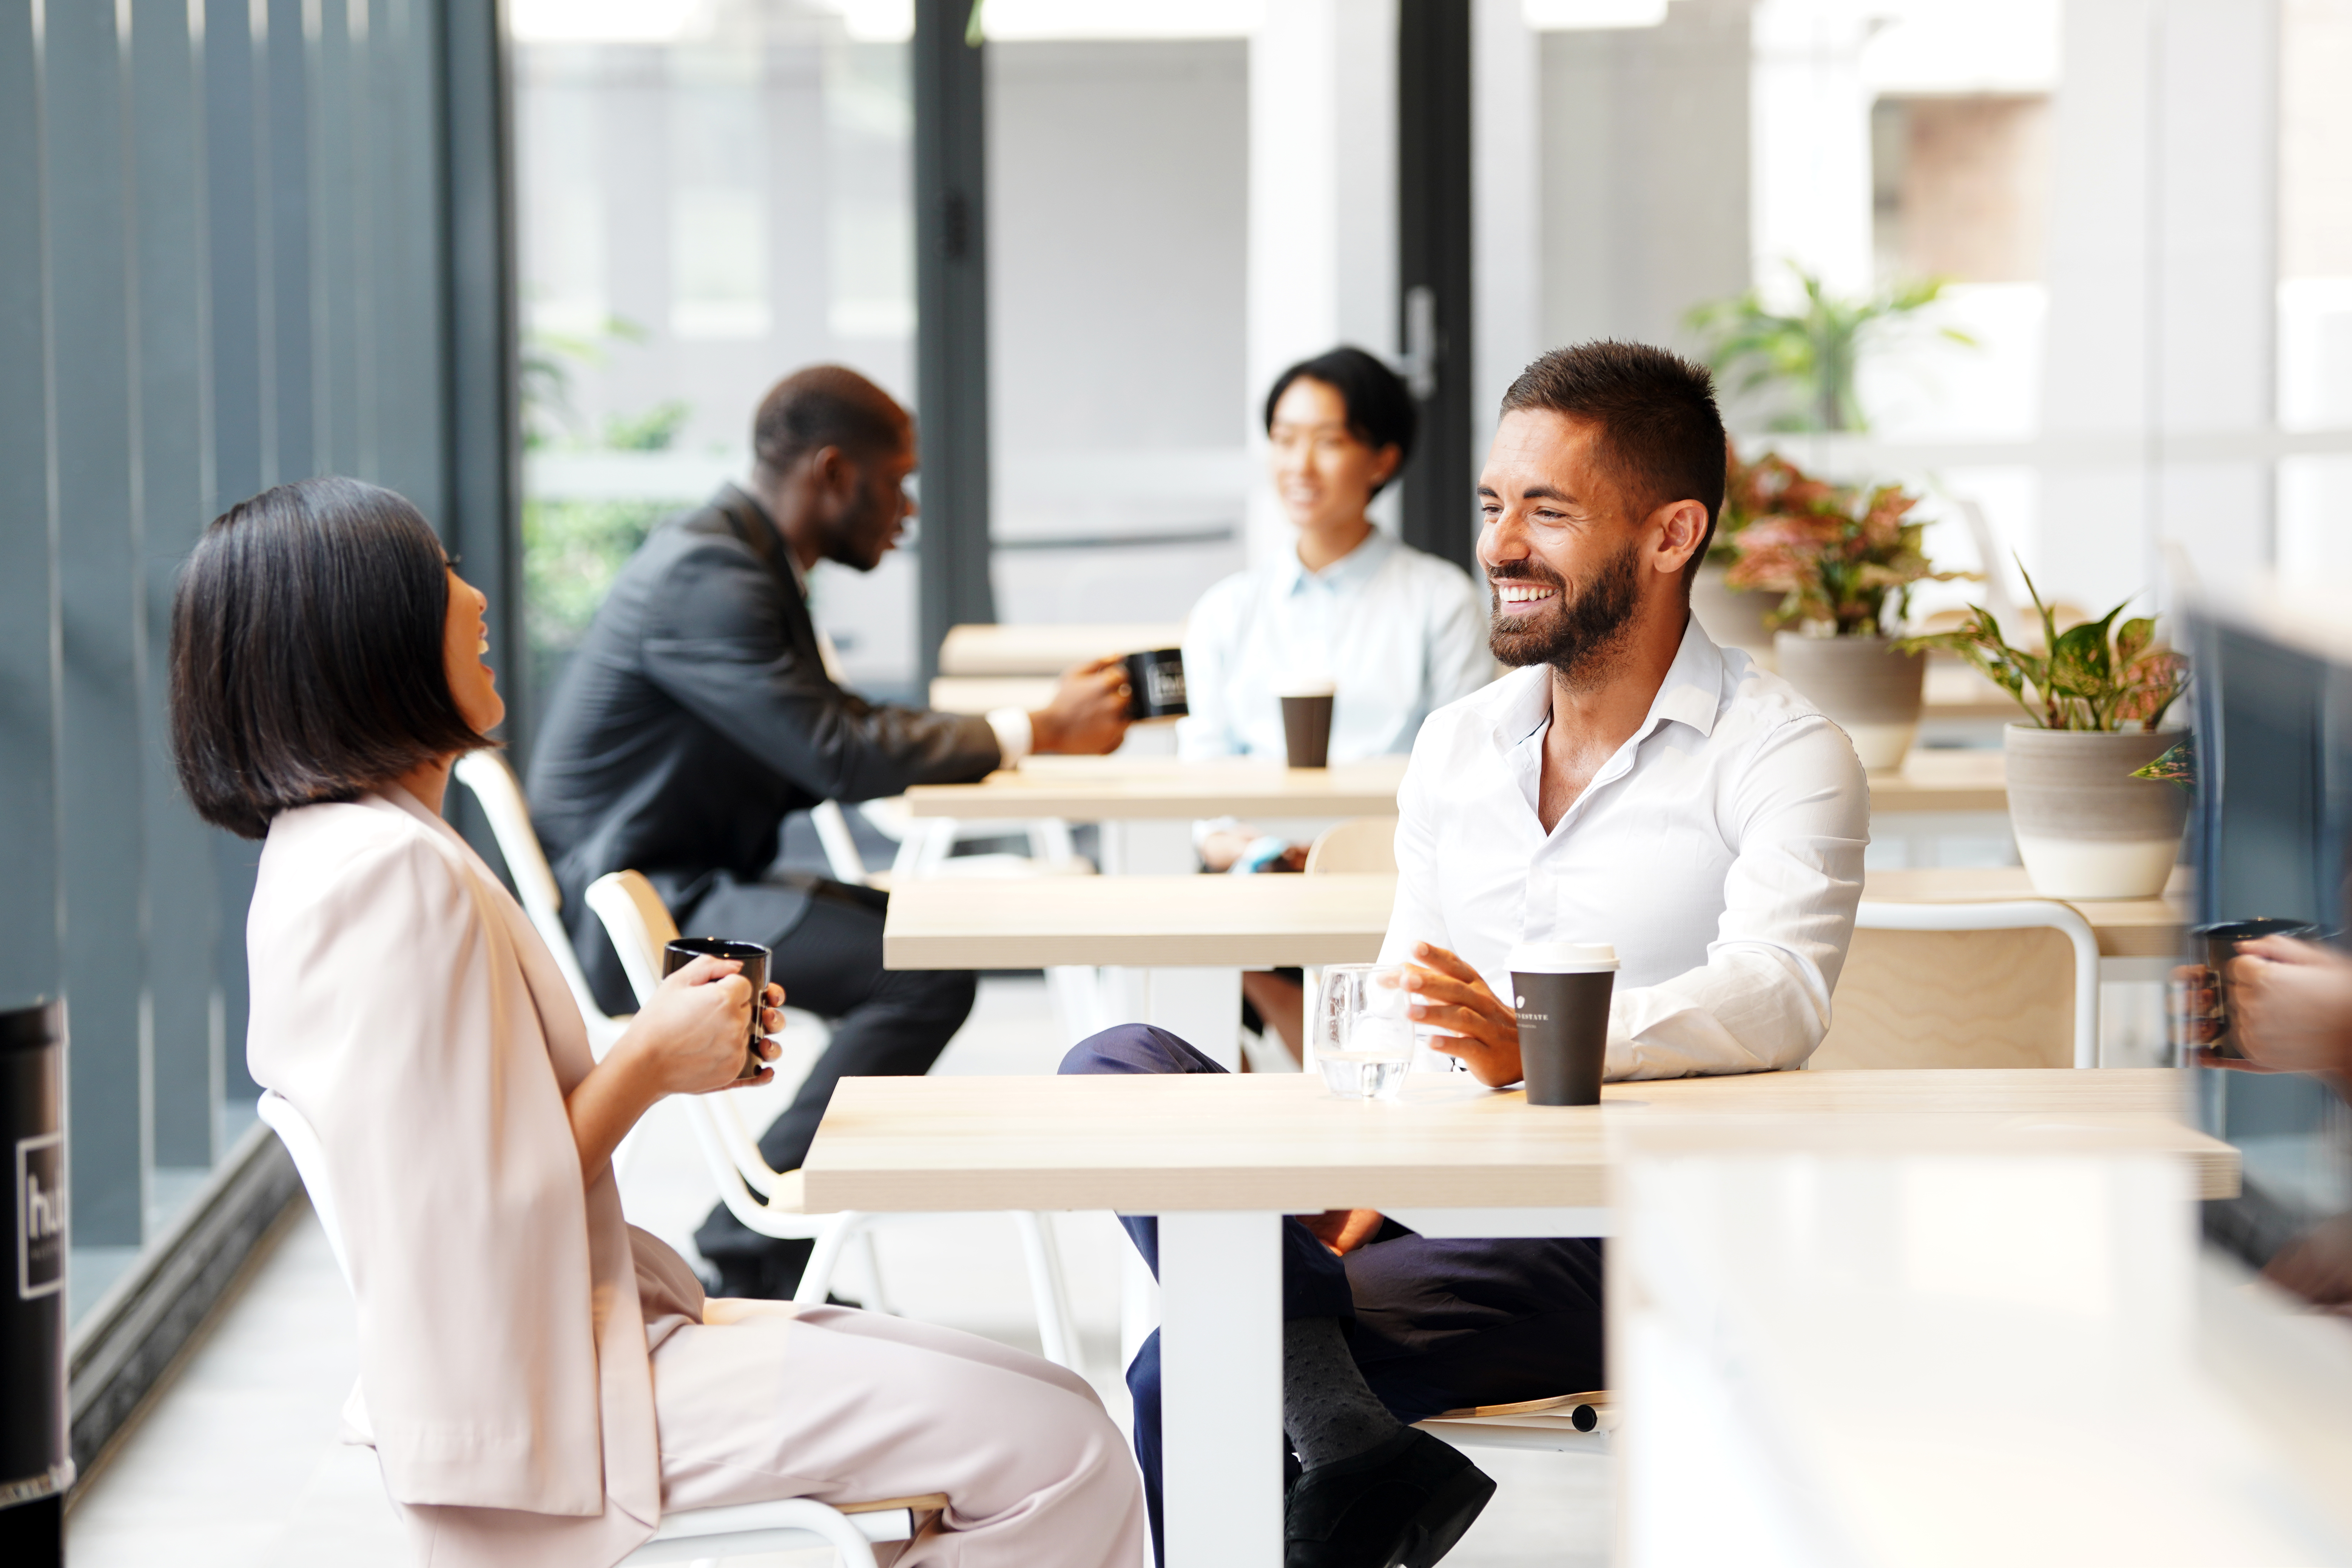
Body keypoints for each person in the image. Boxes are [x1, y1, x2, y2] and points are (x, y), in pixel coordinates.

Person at [170, 477, 1146, 1568]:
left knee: (1057, 1408)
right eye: (438, 574)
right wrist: (645, 1059)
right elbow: (457, 1216)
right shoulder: (386, 875)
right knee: (1067, 1448)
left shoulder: (360, 853)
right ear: (357, 637)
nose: (478, 598)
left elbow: (464, 1159)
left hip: (568, 1351)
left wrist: (671, 1056)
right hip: (558, 1398)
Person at [1064, 341, 1870, 1566]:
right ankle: (1359, 1449)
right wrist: (1353, 1189)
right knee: (1115, 1061)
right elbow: (1408, 1002)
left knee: (1199, 1365)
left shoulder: (1780, 753)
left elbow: (1780, 996)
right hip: (1423, 1204)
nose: (1501, 545)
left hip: (1624, 1234)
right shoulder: (1459, 745)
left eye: (1548, 512)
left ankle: (1349, 1446)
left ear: (1670, 536)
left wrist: (1546, 1038)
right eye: (1495, 505)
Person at [529, 365, 1131, 1298]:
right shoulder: (709, 571)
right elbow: (838, 749)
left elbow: (831, 727)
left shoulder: (742, 556)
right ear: (833, 472)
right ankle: (752, 1240)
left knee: (925, 948)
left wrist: (1012, 732)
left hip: (679, 882)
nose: (910, 508)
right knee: (920, 970)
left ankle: (755, 1242)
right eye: (899, 480)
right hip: (644, 917)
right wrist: (1036, 729)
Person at [1179, 347, 1491, 1053]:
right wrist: (1262, 848)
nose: (1300, 465)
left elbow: (1462, 777)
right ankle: (1324, 1064)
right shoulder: (1228, 610)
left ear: (1381, 459)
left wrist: (1336, 847)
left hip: (1388, 864)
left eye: (1327, 441)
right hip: (1254, 868)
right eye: (1285, 440)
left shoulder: (1438, 599)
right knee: (1209, 912)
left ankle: (1327, 1065)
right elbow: (1204, 786)